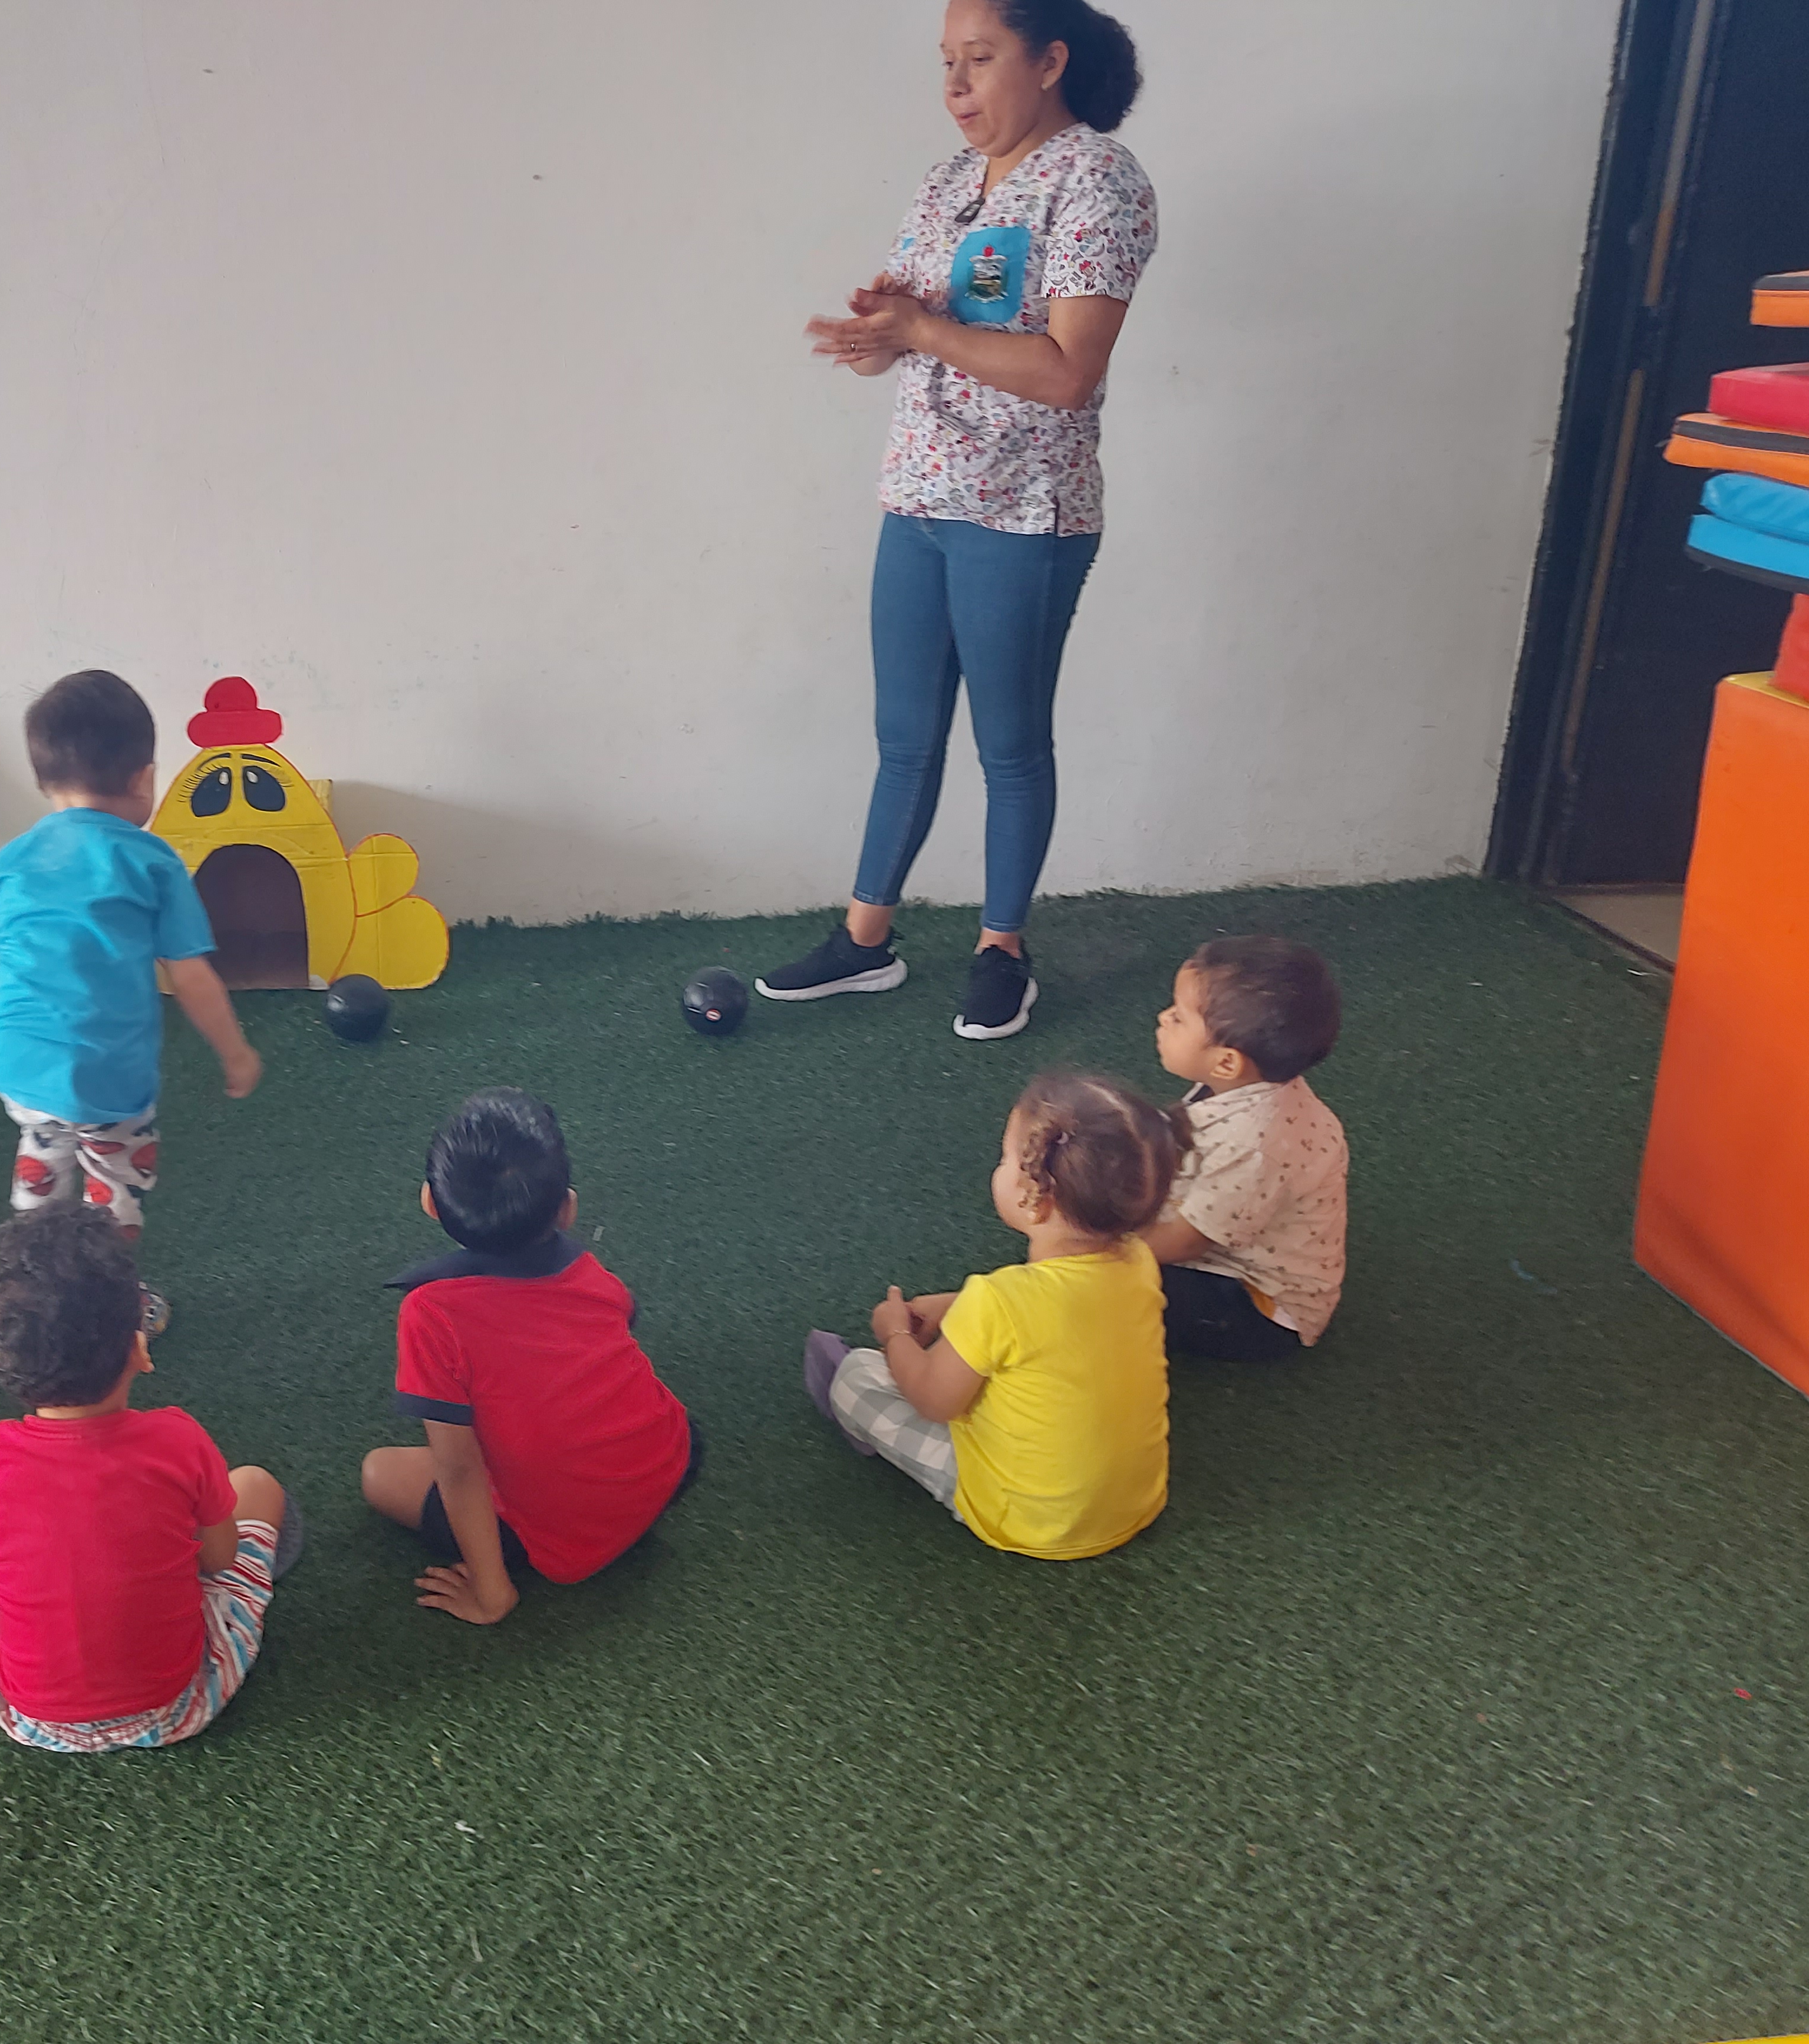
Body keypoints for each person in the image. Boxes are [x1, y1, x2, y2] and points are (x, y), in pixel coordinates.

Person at [759, 0, 1157, 1040]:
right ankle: (864, 941)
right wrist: (879, 338)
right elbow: (924, 328)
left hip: (1023, 512)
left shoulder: (1097, 181)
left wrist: (923, 331)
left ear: (1050, 60)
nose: (955, 85)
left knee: (1010, 747)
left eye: (979, 59)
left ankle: (1001, 952)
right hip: (920, 497)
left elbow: (1066, 372)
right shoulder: (946, 184)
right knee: (903, 737)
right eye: (946, 61)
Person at [0, 1206, 294, 1752]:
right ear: (139, 1348)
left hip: (28, 1719)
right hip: (179, 1707)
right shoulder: (178, 1439)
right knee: (256, 1485)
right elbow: (219, 1557)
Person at [0, 669, 261, 1331]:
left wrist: (7, 1032)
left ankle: (36, 1291)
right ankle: (113, 1308)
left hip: (18, 1064)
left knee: (43, 1146)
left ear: (44, 780)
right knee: (114, 1185)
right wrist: (236, 1053)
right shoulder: (152, 861)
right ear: (144, 779)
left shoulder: (11, 860)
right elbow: (192, 978)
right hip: (111, 1076)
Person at [802, 1069, 1185, 1560]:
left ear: (1036, 1201)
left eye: (1006, 1160)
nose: (999, 1169)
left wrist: (895, 1333)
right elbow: (1053, 1314)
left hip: (1026, 1518)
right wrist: (954, 1307)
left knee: (859, 1377)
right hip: (1136, 1503)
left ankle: (853, 1411)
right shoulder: (1138, 1261)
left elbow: (934, 1401)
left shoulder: (1000, 1302)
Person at [360, 1089, 701, 1625]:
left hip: (562, 1535)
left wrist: (491, 1593)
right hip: (671, 1466)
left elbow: (458, 1468)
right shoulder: (587, 1269)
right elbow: (620, 1322)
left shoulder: (429, 1313)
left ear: (429, 1202)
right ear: (568, 1209)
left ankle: (508, 1578)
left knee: (379, 1472)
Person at [1141, 935, 1348, 1360]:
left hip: (1257, 1306)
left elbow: (1188, 1242)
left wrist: (1091, 1252)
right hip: (1231, 1249)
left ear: (1226, 1062)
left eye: (1179, 1017)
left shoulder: (1255, 1144)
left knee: (1105, 1289)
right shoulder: (1240, 1086)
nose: (1163, 1017)